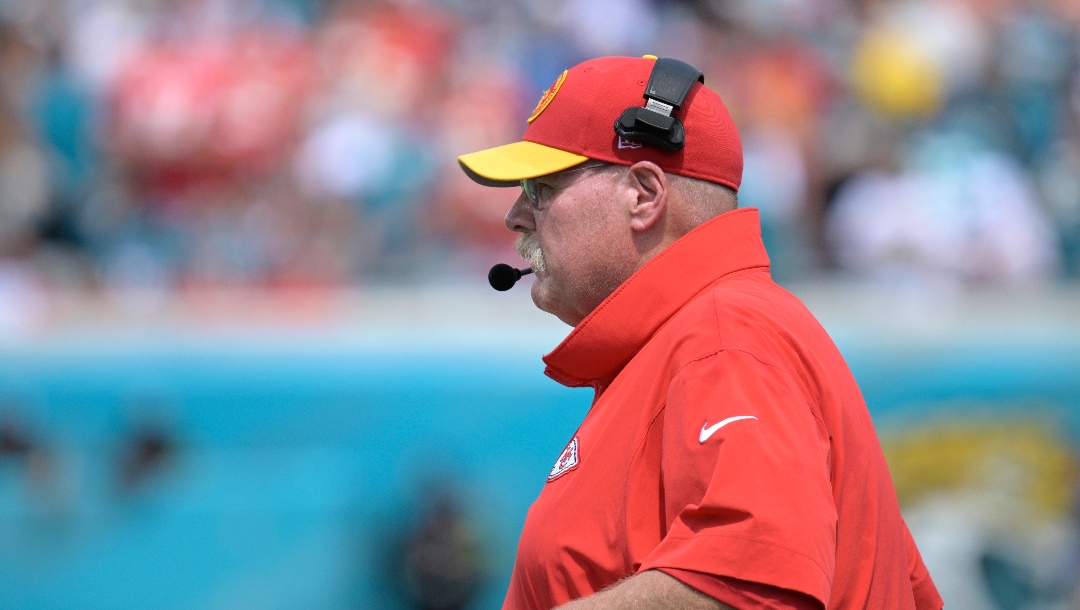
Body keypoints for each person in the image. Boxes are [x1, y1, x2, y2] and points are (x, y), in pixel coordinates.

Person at [456, 55, 943, 610]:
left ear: (642, 194)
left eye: (539, 188)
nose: (515, 215)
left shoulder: (725, 335)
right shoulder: (694, 340)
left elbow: (751, 582)